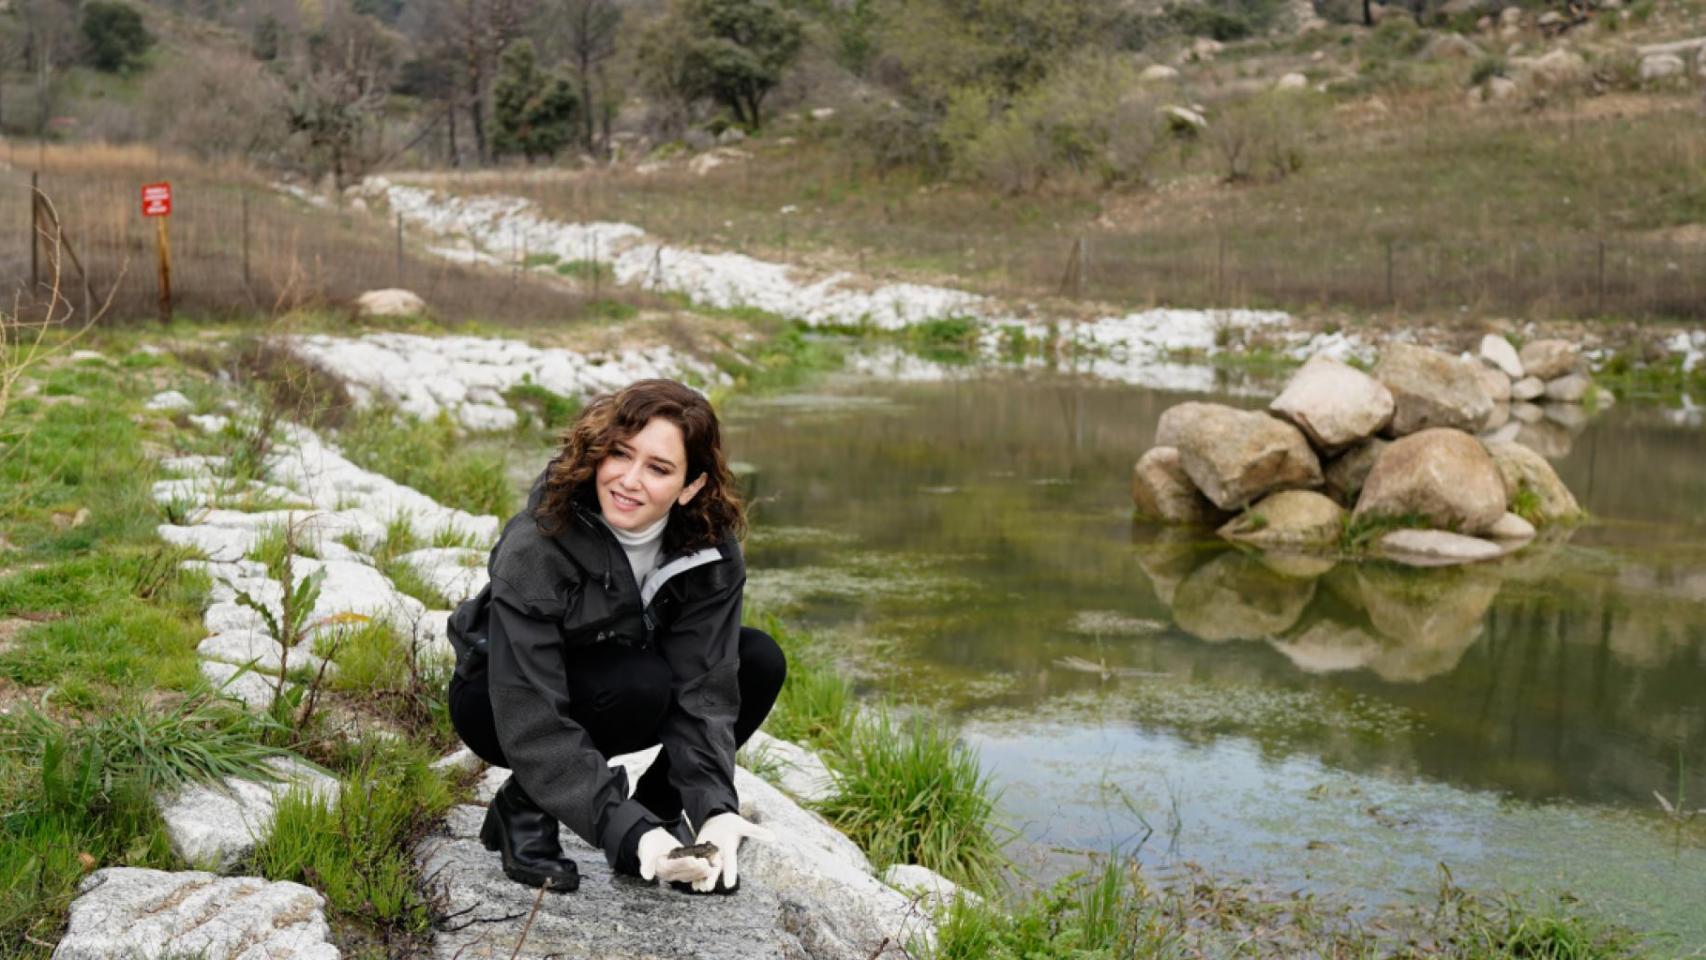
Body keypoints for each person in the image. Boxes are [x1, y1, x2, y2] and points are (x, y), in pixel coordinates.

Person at [446, 379, 785, 894]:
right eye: (620, 455)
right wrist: (625, 834)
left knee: (757, 659)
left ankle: (660, 818)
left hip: (623, 681)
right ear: (599, 454)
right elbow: (531, 713)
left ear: (691, 486)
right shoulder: (540, 541)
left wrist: (714, 810)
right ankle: (526, 807)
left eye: (658, 468)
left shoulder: (709, 550)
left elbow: (706, 691)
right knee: (639, 679)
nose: (629, 480)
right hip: (499, 699)